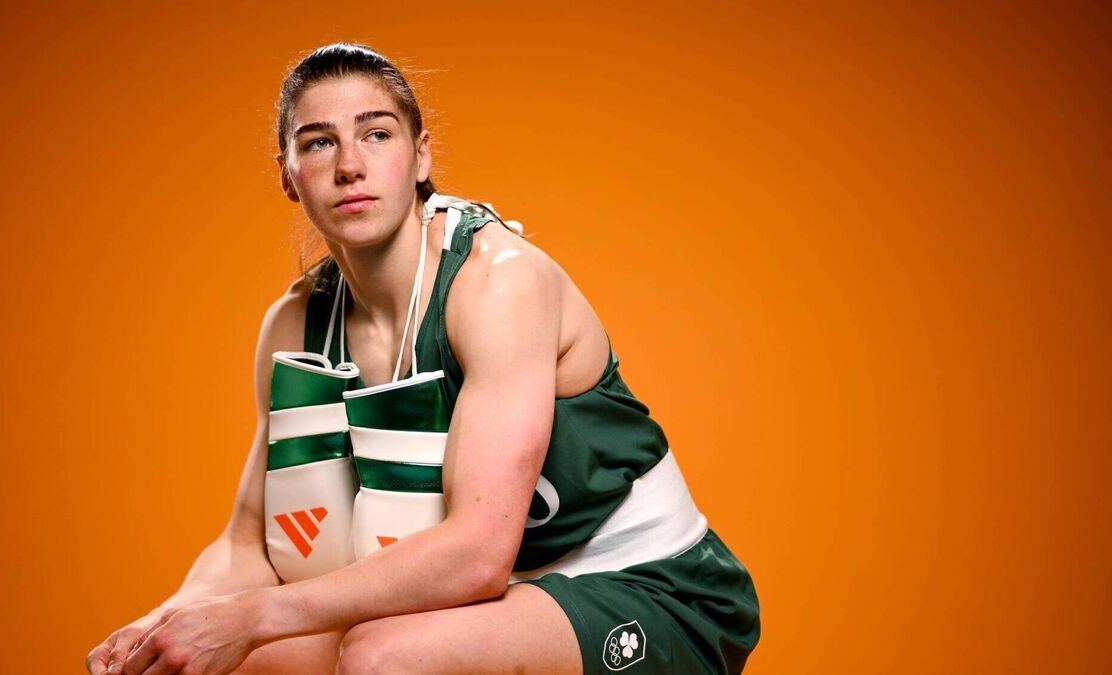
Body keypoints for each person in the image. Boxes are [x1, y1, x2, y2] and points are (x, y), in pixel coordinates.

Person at [87, 42, 761, 675]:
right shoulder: (294, 325)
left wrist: (255, 616)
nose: (349, 165)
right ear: (288, 176)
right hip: (499, 599)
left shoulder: (498, 284)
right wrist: (163, 624)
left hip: (652, 583)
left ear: (420, 156)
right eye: (318, 142)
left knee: (382, 656)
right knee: (256, 661)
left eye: (377, 134)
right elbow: (248, 544)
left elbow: (476, 557)